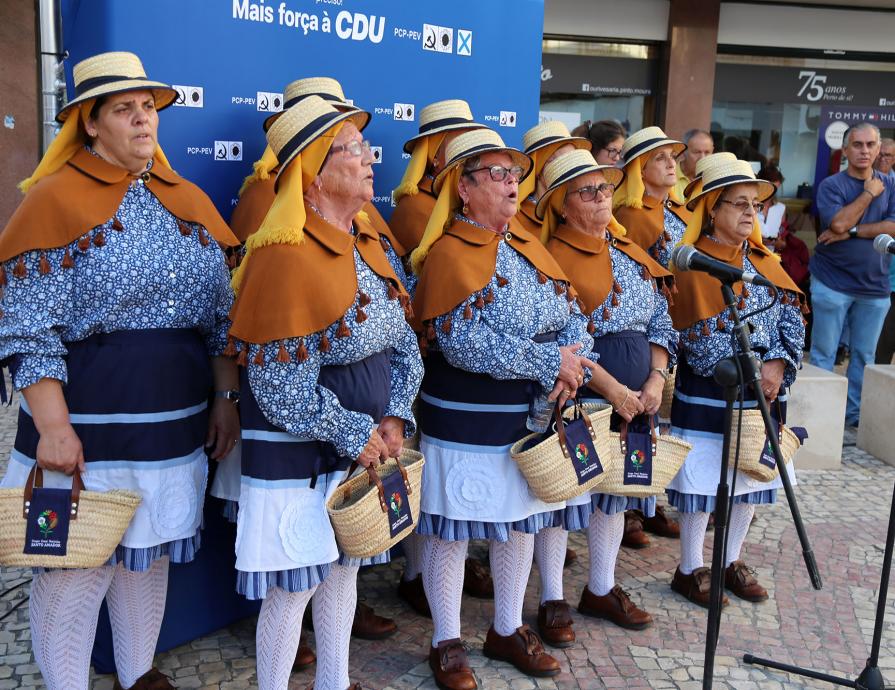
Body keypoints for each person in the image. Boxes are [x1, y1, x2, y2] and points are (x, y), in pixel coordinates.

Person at [0, 51, 239, 690]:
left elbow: (220, 319)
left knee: (146, 558)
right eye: (124, 109)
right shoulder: (51, 202)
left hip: (171, 427)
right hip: (85, 426)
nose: (142, 121)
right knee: (75, 567)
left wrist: (224, 398)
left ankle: (137, 673)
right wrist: (52, 427)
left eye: (148, 109)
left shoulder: (184, 200)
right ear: (90, 124)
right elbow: (26, 326)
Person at [227, 95, 422, 690]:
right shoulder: (283, 254)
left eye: (365, 148)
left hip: (362, 443)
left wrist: (395, 414)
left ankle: (334, 682)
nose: (369, 158)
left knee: (342, 575)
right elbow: (279, 384)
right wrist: (355, 432)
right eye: (352, 149)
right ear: (313, 170)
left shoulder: (367, 243)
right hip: (300, 452)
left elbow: (403, 341)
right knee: (294, 586)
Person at [411, 128, 594, 689]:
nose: (512, 184)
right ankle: (446, 640)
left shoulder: (528, 246)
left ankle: (508, 628)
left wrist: (574, 359)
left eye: (515, 175)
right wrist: (549, 364)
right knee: (452, 530)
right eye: (497, 175)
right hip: (463, 415)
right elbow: (465, 340)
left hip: (528, 416)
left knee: (517, 523)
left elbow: (574, 315)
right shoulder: (447, 252)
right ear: (463, 189)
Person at [539, 149, 677, 632]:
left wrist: (656, 377)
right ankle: (552, 598)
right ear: (561, 203)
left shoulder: (628, 253)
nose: (602, 198)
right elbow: (564, 337)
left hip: (638, 396)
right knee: (564, 494)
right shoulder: (550, 258)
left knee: (616, 493)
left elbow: (663, 319)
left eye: (605, 188)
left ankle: (601, 587)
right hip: (584, 392)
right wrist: (615, 389)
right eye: (588, 191)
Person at [667, 158, 805, 607]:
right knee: (703, 482)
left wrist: (779, 365)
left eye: (756, 205)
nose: (751, 213)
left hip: (764, 390)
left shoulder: (764, 260)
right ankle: (690, 568)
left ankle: (730, 560)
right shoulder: (692, 263)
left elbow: (792, 317)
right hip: (714, 390)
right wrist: (754, 369)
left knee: (750, 474)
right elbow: (698, 342)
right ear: (711, 208)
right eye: (740, 204)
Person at [389, 99, 490, 614]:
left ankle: (429, 567)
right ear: (433, 154)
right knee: (421, 466)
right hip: (422, 345)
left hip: (434, 347)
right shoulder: (414, 209)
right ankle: (416, 570)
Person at [612, 125, 690, 545]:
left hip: (674, 327)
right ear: (640, 167)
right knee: (637, 416)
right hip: (648, 325)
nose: (671, 164)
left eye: (672, 157)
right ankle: (628, 511)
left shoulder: (676, 211)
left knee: (654, 419)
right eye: (660, 158)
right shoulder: (632, 215)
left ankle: (647, 501)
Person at [809, 122, 895, 427]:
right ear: (845, 150)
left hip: (875, 288)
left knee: (864, 357)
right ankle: (821, 417)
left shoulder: (892, 184)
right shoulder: (832, 185)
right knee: (823, 354)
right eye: (857, 145)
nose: (865, 151)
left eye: (871, 145)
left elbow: (891, 227)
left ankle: (853, 416)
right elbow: (838, 224)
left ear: (878, 148)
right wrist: (869, 195)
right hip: (832, 282)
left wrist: (853, 232)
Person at [390, 99, 485, 260]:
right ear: (434, 156)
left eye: (470, 143)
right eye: (459, 144)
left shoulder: (466, 196)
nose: (469, 153)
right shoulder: (415, 206)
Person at [515, 120, 590, 238]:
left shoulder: (580, 209)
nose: (568, 168)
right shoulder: (515, 219)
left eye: (571, 160)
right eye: (559, 162)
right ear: (538, 169)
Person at [874, 138, 895, 364]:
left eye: (888, 155)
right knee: (880, 343)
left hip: (890, 277)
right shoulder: (867, 184)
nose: (883, 159)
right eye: (880, 154)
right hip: (871, 276)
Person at [674, 129, 714, 200]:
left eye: (707, 152)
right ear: (683, 151)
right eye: (696, 152)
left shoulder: (715, 179)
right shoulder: (669, 175)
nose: (702, 158)